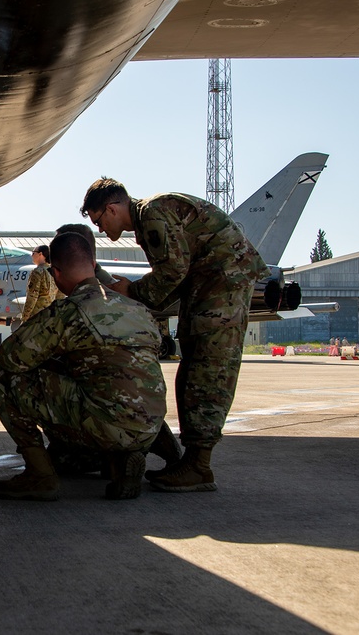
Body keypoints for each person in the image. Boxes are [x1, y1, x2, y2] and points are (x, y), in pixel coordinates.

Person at [81, 177, 268, 492]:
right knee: (193, 365)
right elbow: (176, 274)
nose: (101, 230)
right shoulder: (148, 218)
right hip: (210, 283)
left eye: (99, 221)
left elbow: (172, 273)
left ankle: (198, 466)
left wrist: (132, 291)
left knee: (207, 370)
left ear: (112, 209)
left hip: (222, 283)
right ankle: (191, 462)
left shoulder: (153, 214)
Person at [0, 232, 167, 501]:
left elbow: (9, 358)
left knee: (1, 379)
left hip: (105, 424)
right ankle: (119, 461)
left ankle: (40, 475)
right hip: (149, 427)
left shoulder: (67, 312)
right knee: (110, 383)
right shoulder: (136, 309)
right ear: (94, 266)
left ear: (55, 273)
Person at [20, 244, 56, 323]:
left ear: (40, 254)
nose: (32, 255)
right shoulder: (53, 272)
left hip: (37, 317)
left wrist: (24, 318)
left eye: (33, 253)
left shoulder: (37, 272)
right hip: (50, 316)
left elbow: (32, 297)